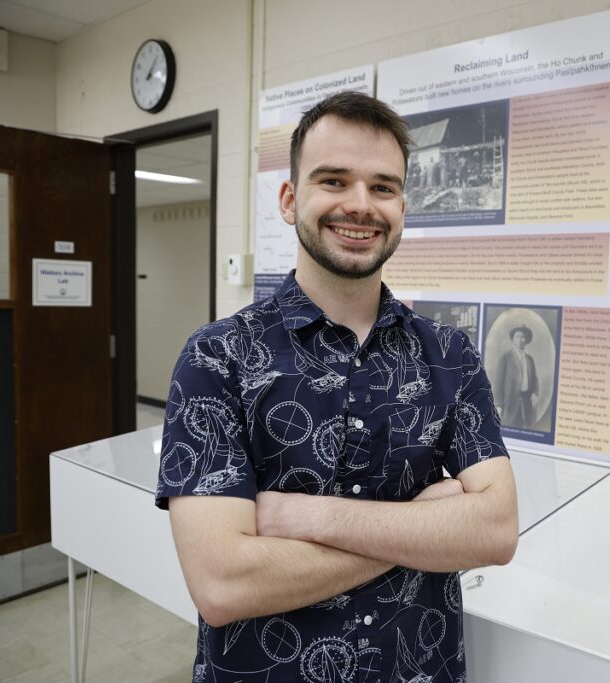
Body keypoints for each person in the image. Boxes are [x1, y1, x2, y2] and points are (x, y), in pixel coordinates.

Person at [156, 91, 519, 683]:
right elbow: (222, 584)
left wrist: (300, 515)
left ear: (403, 204)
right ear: (289, 198)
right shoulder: (218, 358)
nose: (361, 206)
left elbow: (497, 531)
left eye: (382, 187)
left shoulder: (449, 355)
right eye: (334, 181)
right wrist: (420, 524)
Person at [494, 323, 540, 429]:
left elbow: (534, 379)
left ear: (526, 340)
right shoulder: (506, 357)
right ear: (513, 339)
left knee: (525, 428)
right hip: (509, 401)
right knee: (509, 428)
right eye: (517, 337)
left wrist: (534, 394)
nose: (520, 340)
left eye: (523, 337)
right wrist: (499, 405)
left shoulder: (529, 359)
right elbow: (498, 383)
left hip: (526, 401)